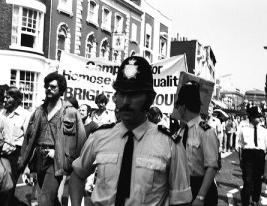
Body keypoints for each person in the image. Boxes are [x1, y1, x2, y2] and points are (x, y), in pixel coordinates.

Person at [69, 56, 192, 206]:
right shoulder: (99, 137)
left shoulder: (170, 144)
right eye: (121, 94)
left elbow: (181, 200)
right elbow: (78, 174)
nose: (126, 102)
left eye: (133, 95)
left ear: (150, 98)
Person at [17, 72, 87, 206]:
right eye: (48, 86)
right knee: (52, 198)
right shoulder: (38, 111)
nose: (49, 89)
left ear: (61, 90)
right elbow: (28, 138)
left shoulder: (71, 112)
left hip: (56, 160)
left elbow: (81, 140)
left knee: (44, 199)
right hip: (38, 158)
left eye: (53, 87)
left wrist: (67, 158)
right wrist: (25, 164)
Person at [175, 82, 219, 206]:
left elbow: (211, 167)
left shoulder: (206, 132)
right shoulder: (181, 131)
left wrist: (200, 197)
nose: (177, 108)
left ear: (183, 106)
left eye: (178, 105)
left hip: (201, 188)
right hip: (184, 188)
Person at [1, 86, 31, 205]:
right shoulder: (2, 112)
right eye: (4, 97)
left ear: (16, 99)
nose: (4, 100)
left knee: (9, 186)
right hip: (0, 152)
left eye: (8, 97)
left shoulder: (25, 115)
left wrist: (25, 161)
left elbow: (28, 139)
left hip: (15, 153)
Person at [237, 106, 267, 206]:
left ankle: (255, 200)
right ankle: (245, 202)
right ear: (251, 117)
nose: (258, 119)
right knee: (247, 181)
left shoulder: (264, 131)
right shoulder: (244, 130)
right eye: (255, 116)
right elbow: (240, 146)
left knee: (258, 180)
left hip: (260, 156)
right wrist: (240, 160)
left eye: (259, 116)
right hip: (248, 156)